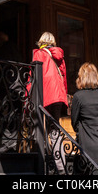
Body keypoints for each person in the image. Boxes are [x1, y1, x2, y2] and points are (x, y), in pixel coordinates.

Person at [32, 31, 68, 174]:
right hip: (58, 95)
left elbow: (33, 74)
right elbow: (64, 77)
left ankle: (43, 164)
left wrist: (28, 94)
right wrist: (63, 95)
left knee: (40, 127)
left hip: (45, 94)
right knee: (54, 130)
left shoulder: (39, 54)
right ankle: (61, 166)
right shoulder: (59, 56)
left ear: (41, 41)